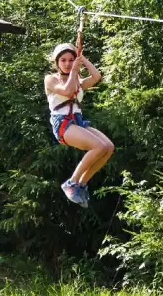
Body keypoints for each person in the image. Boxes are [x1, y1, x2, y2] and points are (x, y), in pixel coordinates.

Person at [44, 42, 114, 207]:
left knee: (108, 147)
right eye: (63, 60)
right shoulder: (51, 79)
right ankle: (71, 183)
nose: (68, 64)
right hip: (62, 124)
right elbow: (67, 91)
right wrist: (75, 70)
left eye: (71, 60)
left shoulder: (78, 81)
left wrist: (82, 59)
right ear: (57, 62)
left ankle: (81, 184)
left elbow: (96, 77)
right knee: (98, 146)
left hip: (77, 122)